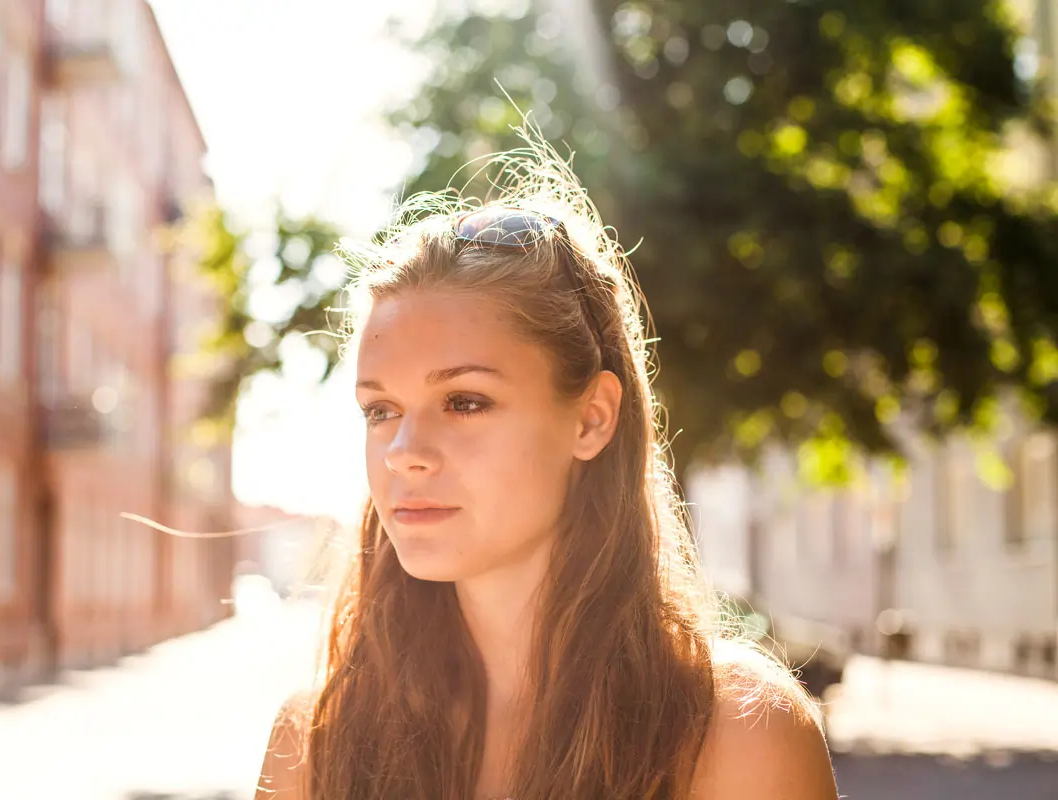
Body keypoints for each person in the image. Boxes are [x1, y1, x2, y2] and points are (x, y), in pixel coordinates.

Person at [256, 139, 839, 799]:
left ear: (591, 418)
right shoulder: (315, 742)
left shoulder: (741, 734)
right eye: (380, 410)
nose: (403, 451)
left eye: (465, 401)